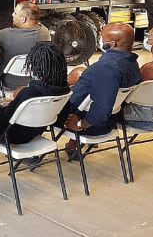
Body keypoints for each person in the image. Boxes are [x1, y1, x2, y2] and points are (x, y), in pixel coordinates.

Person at [56, 23, 141, 152]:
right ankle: (73, 145)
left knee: (27, 97)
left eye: (102, 38)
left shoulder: (107, 68)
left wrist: (81, 124)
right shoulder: (132, 64)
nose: (100, 41)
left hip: (86, 123)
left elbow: (102, 106)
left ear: (112, 44)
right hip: (106, 121)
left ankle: (28, 149)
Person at [0, 42, 70, 144]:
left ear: (35, 66)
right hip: (33, 133)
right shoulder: (64, 91)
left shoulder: (30, 93)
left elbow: (4, 120)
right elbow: (60, 120)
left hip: (8, 135)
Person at [0, 1, 51, 90]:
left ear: (23, 19)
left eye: (15, 13)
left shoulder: (6, 35)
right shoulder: (45, 32)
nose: (12, 14)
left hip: (8, 85)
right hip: (33, 83)